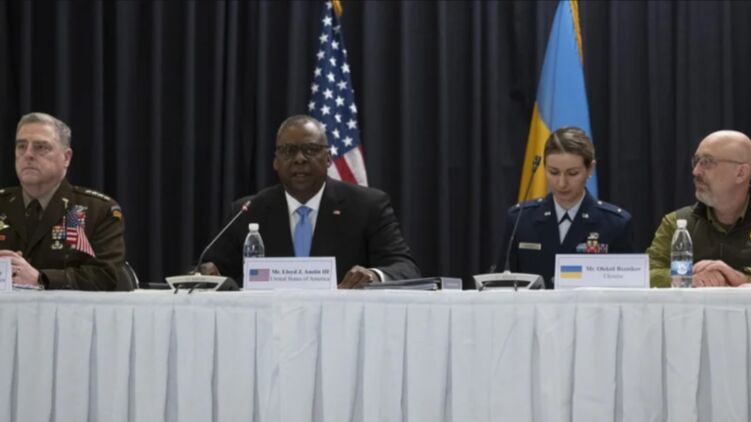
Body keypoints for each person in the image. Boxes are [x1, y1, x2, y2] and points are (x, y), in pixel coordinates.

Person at [200, 115, 420, 288]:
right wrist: (206, 274)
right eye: (288, 151)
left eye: (311, 150)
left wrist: (373, 275)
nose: (299, 159)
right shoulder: (248, 210)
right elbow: (209, 269)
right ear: (276, 162)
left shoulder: (367, 205)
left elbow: (405, 268)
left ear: (328, 158)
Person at [0, 112, 126, 290]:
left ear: (66, 157)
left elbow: (106, 275)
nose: (28, 154)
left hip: (67, 308)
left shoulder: (97, 210)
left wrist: (41, 278)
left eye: (41, 147)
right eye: (21, 146)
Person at [498, 127, 634, 289]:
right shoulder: (520, 219)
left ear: (590, 169)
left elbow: (626, 290)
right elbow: (502, 284)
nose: (562, 183)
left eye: (572, 173)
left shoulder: (615, 224)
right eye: (553, 172)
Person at [647, 130, 751, 288]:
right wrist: (687, 278)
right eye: (696, 161)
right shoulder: (677, 222)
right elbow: (647, 273)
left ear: (741, 173)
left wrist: (743, 279)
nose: (695, 171)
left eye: (707, 162)